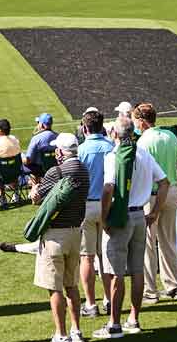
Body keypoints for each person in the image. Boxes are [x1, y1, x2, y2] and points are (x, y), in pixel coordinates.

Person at [94, 117, 161, 339]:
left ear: (115, 134)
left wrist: (103, 218)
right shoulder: (143, 153)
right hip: (140, 215)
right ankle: (134, 318)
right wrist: (154, 212)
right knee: (137, 270)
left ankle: (114, 324)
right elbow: (165, 182)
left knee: (116, 272)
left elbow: (108, 188)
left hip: (122, 217)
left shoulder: (114, 156)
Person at [29, 131, 87, 342]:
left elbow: (38, 200)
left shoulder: (56, 172)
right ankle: (76, 331)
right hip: (75, 232)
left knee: (54, 287)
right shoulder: (83, 169)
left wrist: (34, 189)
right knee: (71, 285)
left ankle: (61, 334)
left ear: (62, 152)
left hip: (55, 234)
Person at [130, 104, 177, 303]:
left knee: (147, 244)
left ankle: (150, 290)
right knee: (168, 240)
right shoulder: (171, 137)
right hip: (171, 191)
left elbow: (142, 171)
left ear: (141, 122)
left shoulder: (143, 141)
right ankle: (174, 286)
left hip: (152, 194)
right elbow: (175, 164)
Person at [75, 110, 113, 318]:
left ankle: (91, 304)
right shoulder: (111, 147)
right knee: (105, 255)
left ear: (85, 128)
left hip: (87, 206)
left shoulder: (81, 150)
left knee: (87, 257)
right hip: (107, 205)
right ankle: (108, 299)